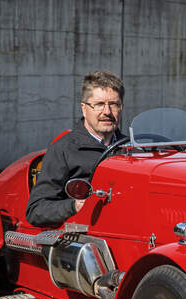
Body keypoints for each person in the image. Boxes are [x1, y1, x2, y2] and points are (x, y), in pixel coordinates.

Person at [26, 70, 125, 227]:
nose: (107, 112)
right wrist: (75, 205)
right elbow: (36, 210)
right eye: (99, 104)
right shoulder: (63, 149)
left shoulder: (131, 149)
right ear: (84, 109)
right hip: (86, 236)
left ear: (121, 108)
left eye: (114, 104)